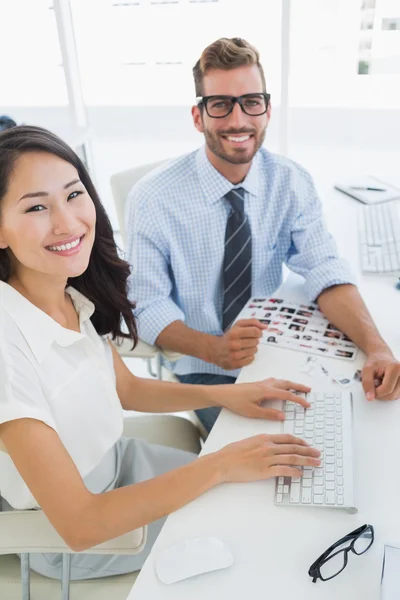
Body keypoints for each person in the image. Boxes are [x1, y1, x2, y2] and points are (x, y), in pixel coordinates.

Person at [0, 125, 321, 582]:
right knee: (253, 534)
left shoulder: (66, 291)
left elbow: (125, 387)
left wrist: (228, 395)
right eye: (36, 206)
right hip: (80, 529)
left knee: (264, 493)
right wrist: (221, 463)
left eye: (73, 195)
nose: (67, 222)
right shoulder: (6, 347)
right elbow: (80, 524)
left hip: (122, 462)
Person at [127, 37, 400, 433]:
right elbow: (147, 305)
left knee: (348, 428)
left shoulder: (291, 182)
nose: (238, 120)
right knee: (267, 454)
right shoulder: (152, 198)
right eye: (220, 104)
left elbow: (324, 270)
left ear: (267, 110)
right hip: (203, 368)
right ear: (198, 116)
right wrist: (215, 351)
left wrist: (376, 347)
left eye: (251, 102)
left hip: (277, 348)